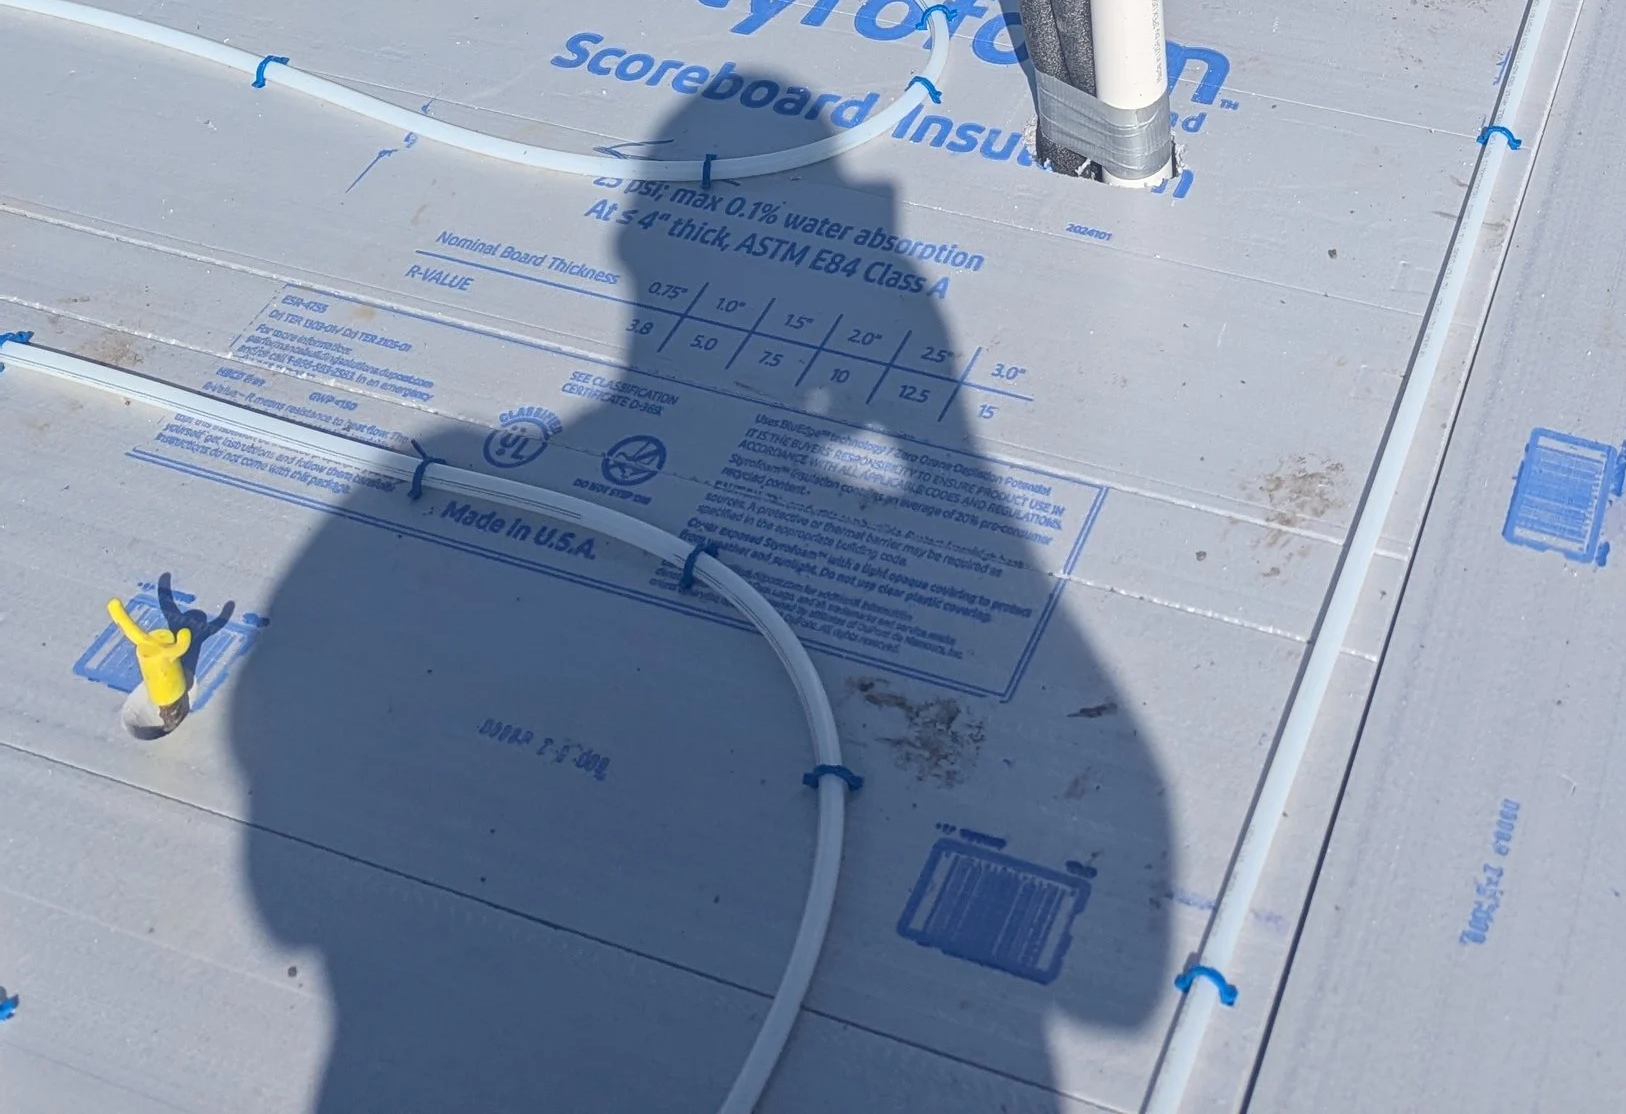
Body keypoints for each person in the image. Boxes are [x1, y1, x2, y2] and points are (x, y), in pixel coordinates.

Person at [231, 94, 1172, 1107]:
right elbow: (1119, 991)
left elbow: (284, 894)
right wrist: (939, 442)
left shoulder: (433, 462)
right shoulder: (446, 465)